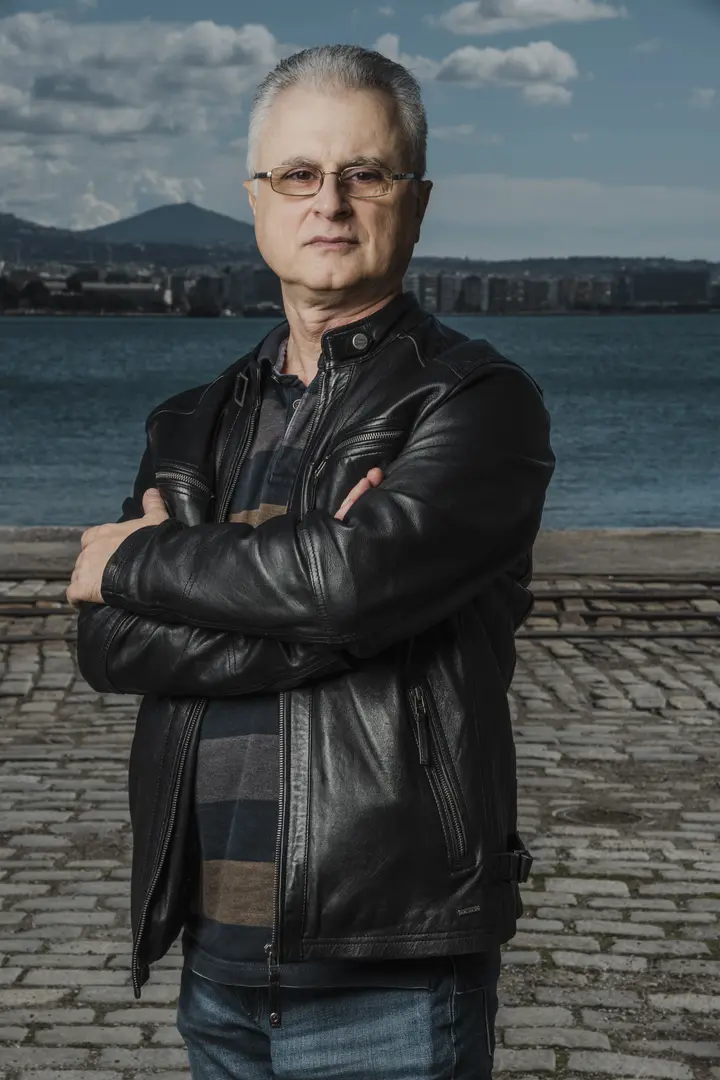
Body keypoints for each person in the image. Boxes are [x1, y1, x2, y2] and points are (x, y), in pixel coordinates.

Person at [69, 43, 555, 1080]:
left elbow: (346, 586)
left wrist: (145, 560)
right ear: (256, 200)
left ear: (416, 201)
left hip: (392, 967)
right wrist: (319, 595)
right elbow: (106, 641)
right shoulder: (192, 421)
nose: (328, 202)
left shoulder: (475, 403)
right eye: (297, 174)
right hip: (215, 962)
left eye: (364, 173)